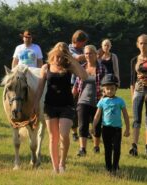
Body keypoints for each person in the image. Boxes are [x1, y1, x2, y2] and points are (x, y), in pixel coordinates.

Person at [33, 42, 87, 173]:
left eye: (63, 55)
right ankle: (55, 167)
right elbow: (40, 87)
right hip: (50, 105)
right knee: (53, 137)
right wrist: (35, 103)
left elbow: (84, 76)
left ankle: (62, 163)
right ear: (53, 53)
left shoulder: (69, 67)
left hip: (66, 105)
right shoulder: (46, 68)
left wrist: (72, 59)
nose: (59, 58)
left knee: (64, 135)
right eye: (58, 55)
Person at [72, 45, 106, 156]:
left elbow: (106, 85)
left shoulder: (102, 68)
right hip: (82, 100)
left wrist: (104, 97)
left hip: (98, 100)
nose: (88, 55)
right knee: (82, 125)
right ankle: (83, 149)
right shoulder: (82, 68)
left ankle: (96, 147)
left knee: (96, 125)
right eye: (86, 53)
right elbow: (76, 85)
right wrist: (70, 98)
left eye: (90, 53)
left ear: (96, 54)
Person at [92, 74, 130, 173]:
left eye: (112, 88)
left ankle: (115, 167)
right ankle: (108, 168)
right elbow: (97, 116)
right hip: (106, 129)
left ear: (116, 88)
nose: (109, 91)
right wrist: (93, 126)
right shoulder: (102, 102)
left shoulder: (120, 101)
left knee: (117, 149)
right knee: (107, 149)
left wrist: (128, 129)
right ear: (103, 89)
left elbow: (126, 115)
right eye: (107, 89)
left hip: (117, 129)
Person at [69, 30, 89, 141]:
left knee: (85, 108)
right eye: (83, 42)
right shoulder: (69, 49)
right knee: (74, 108)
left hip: (85, 81)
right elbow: (77, 58)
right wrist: (91, 54)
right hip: (73, 83)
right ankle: (74, 132)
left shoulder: (83, 49)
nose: (84, 45)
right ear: (77, 41)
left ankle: (84, 130)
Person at [129, 34, 147, 156]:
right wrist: (132, 96)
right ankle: (134, 147)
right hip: (138, 91)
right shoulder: (134, 60)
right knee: (136, 119)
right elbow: (132, 80)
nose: (143, 45)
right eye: (141, 43)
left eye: (146, 43)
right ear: (137, 44)